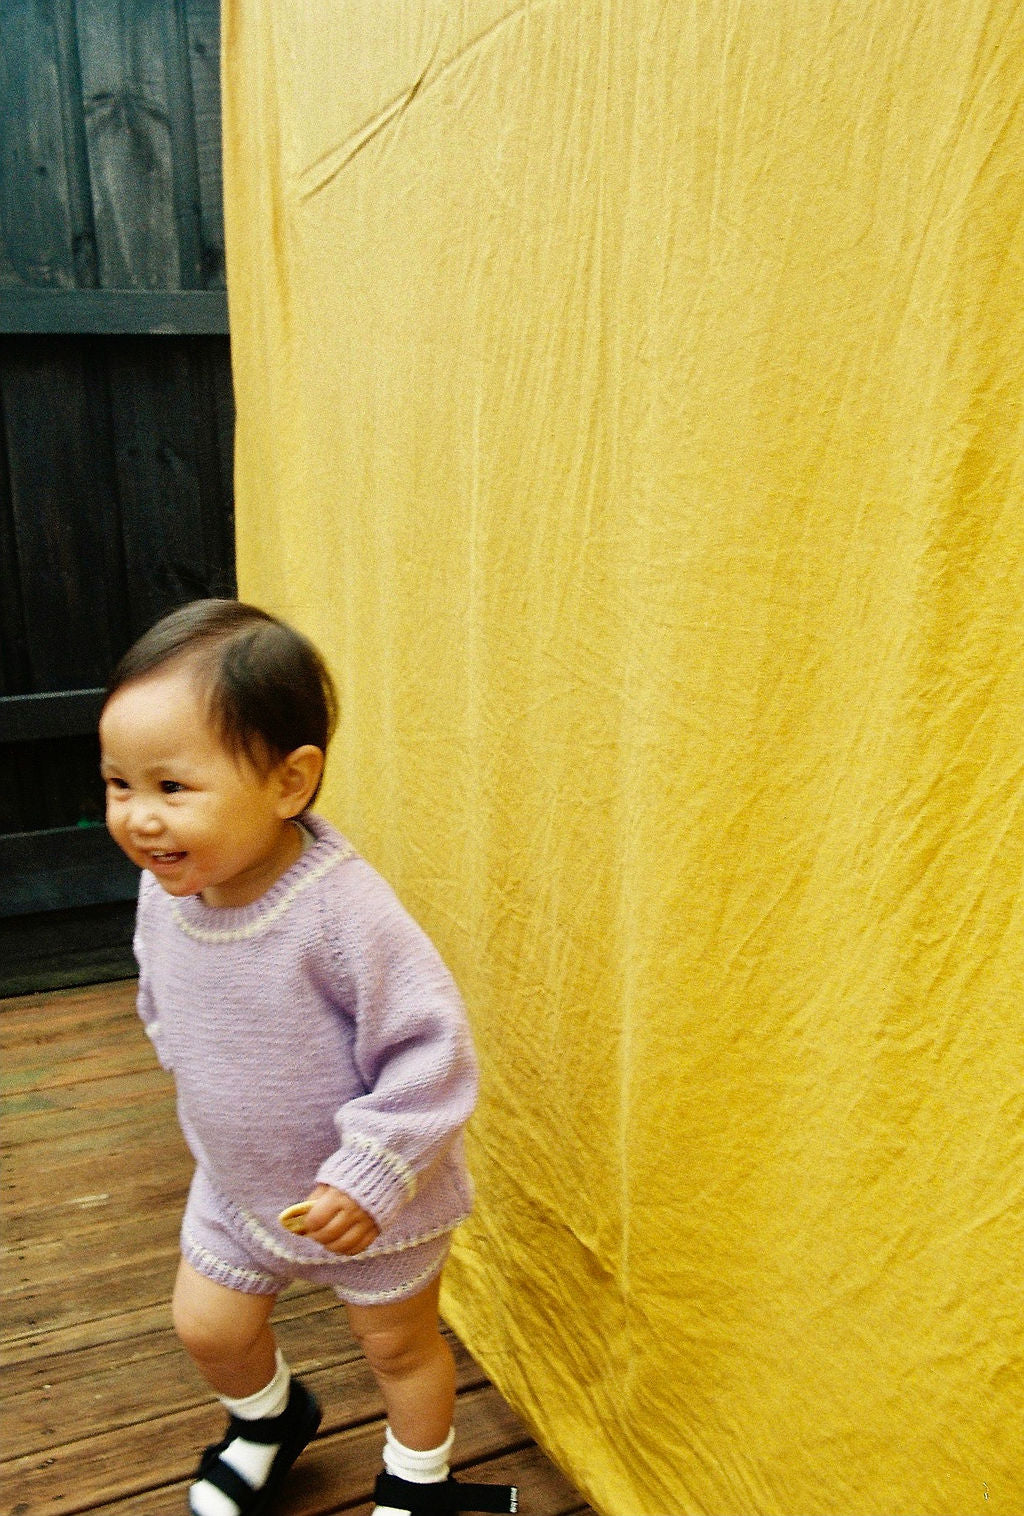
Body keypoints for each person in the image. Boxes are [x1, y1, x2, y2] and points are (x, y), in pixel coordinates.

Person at [99, 600, 516, 1516]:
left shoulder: (338, 914)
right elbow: (159, 984)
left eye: (172, 788)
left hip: (371, 1209)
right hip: (236, 1183)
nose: (139, 820)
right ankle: (268, 1420)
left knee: (397, 1350)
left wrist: (370, 1176)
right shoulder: (167, 891)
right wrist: (193, 1074)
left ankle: (419, 1484)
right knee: (207, 1327)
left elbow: (431, 1051)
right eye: (118, 785)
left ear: (291, 783)